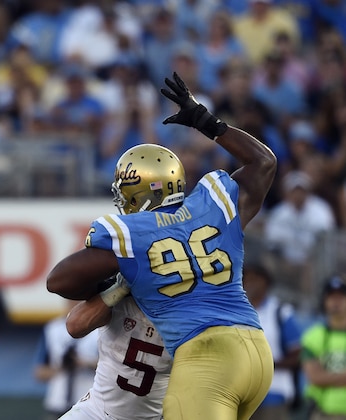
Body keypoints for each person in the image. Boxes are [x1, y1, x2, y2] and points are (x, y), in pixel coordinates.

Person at [47, 72, 277, 420]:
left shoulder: (132, 238)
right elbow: (263, 162)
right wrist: (206, 121)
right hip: (254, 350)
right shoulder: (211, 209)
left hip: (206, 357)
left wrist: (117, 275)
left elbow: (58, 281)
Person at [60, 274, 172, 420]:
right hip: (97, 411)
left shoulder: (187, 318)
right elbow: (74, 326)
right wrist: (118, 288)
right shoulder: (121, 301)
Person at [242, 263, 303, 420]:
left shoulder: (280, 312)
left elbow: (297, 354)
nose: (249, 283)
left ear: (266, 282)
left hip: (273, 392)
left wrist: (267, 365)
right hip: (242, 392)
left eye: (255, 278)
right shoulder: (237, 313)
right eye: (245, 279)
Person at [34, 300, 99, 419]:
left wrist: (84, 362)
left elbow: (110, 366)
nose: (74, 303)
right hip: (57, 403)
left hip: (88, 404)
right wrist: (61, 366)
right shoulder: (52, 329)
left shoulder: (99, 330)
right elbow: (39, 373)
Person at [300, 275, 346, 419]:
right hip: (324, 412)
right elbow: (315, 377)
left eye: (341, 297)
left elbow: (321, 376)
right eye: (331, 297)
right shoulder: (313, 337)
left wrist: (329, 377)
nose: (336, 302)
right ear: (324, 302)